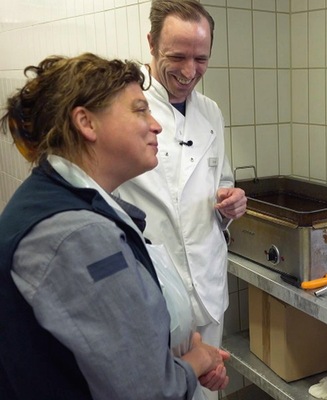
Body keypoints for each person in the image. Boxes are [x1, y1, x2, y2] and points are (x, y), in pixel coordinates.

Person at [0, 53, 229, 399]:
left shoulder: (63, 197)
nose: (156, 125)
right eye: (140, 110)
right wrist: (194, 361)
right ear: (86, 123)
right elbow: (148, 391)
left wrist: (180, 347)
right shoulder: (78, 235)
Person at [115, 3, 246, 399]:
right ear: (151, 42)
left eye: (201, 58)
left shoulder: (211, 113)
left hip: (206, 283)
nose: (189, 71)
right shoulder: (124, 110)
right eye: (177, 57)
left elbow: (222, 181)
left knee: (207, 392)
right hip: (151, 291)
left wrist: (231, 202)